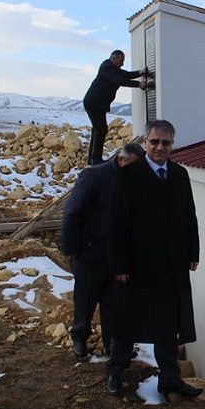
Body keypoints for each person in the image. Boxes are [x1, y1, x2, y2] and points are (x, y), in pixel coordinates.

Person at [105, 119, 202, 401]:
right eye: (155, 142)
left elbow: (189, 216)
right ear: (145, 143)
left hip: (171, 264)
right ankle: (115, 371)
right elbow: (116, 223)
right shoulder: (128, 175)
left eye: (166, 143)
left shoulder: (179, 175)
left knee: (168, 323)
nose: (160, 147)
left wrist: (193, 252)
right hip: (136, 266)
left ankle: (170, 380)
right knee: (127, 321)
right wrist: (119, 264)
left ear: (173, 145)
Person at [61, 142, 145, 359]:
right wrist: (70, 247)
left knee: (113, 303)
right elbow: (72, 211)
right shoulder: (94, 176)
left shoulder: (133, 180)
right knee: (85, 299)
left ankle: (112, 345)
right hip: (90, 251)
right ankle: (79, 336)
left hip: (116, 255)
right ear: (121, 160)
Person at [83, 50, 147, 166]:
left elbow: (125, 74)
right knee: (101, 129)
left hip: (96, 103)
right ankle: (96, 159)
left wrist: (139, 73)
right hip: (94, 103)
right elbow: (119, 80)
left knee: (97, 129)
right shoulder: (107, 67)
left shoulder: (112, 68)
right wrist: (138, 84)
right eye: (121, 61)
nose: (122, 64)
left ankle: (92, 158)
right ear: (114, 58)